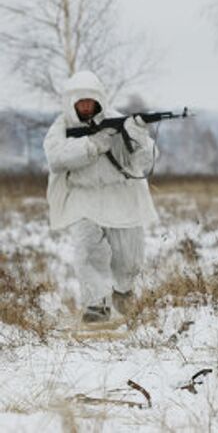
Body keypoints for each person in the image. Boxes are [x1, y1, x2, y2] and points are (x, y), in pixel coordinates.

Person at [43, 70, 158, 324]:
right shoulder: (62, 127)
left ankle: (123, 289)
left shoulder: (119, 122)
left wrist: (138, 135)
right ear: (72, 103)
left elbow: (144, 161)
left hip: (120, 195)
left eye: (89, 101)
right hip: (82, 197)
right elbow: (56, 158)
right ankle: (96, 305)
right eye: (80, 101)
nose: (85, 106)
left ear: (98, 100)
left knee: (128, 257)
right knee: (86, 251)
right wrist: (92, 145)